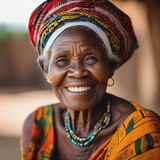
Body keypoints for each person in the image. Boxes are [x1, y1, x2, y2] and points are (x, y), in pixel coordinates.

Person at [21, 0, 160, 159]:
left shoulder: (143, 133)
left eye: (90, 58)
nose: (78, 72)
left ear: (111, 66)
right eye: (62, 60)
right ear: (45, 69)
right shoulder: (36, 126)